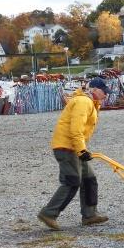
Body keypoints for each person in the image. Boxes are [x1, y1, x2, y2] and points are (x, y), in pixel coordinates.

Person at [37, 77, 111, 230]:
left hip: (74, 146)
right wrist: (82, 150)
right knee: (72, 181)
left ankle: (90, 215)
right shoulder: (84, 102)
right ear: (95, 90)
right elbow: (75, 129)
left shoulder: (90, 102)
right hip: (66, 147)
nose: (106, 95)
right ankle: (49, 213)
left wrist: (81, 148)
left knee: (89, 178)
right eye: (104, 92)